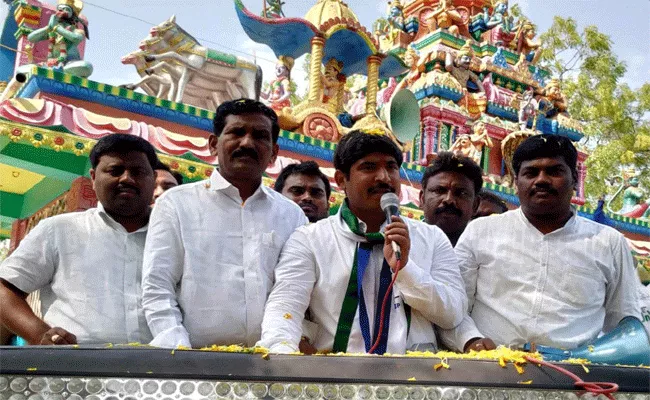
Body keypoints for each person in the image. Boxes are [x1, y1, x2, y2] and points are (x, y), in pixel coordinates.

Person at [258, 130, 467, 354]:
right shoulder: (310, 239)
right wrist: (283, 356)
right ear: (341, 180)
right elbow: (285, 305)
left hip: (416, 378)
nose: (384, 178)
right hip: (337, 379)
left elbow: (453, 314)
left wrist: (405, 270)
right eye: (369, 167)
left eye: (391, 167)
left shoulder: (432, 238)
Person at [441, 134, 640, 352]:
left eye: (554, 171)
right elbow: (453, 306)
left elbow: (625, 325)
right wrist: (470, 341)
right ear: (517, 182)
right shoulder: (481, 231)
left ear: (574, 179)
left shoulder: (608, 242)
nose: (542, 180)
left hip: (576, 376)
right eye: (531, 172)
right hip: (489, 369)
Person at [142, 99, 307, 349]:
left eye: (260, 136)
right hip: (193, 362)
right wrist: (177, 349)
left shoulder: (291, 215)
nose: (247, 143)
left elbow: (294, 291)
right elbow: (158, 286)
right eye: (236, 132)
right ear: (213, 144)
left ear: (273, 153)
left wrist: (281, 354)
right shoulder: (176, 204)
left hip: (271, 362)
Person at [0, 134, 158, 345]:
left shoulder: (173, 235)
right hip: (75, 370)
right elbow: (4, 289)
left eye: (138, 172)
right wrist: (41, 336)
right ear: (93, 178)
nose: (127, 178)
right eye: (115, 170)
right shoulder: (59, 230)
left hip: (163, 369)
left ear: (154, 179)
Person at [420, 152, 483, 247]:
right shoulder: (397, 244)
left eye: (461, 193)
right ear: (422, 199)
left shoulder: (486, 254)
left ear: (475, 205)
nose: (449, 200)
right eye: (439, 191)